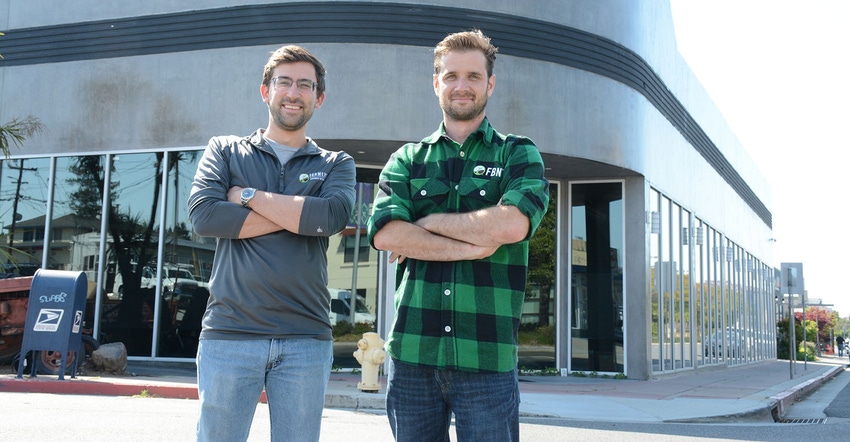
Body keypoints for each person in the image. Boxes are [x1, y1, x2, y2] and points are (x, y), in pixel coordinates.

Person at [367, 30, 549, 442]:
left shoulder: (518, 154)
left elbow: (513, 224)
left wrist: (426, 221)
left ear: (490, 83)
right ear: (436, 83)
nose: (461, 86)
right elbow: (386, 233)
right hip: (413, 356)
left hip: (487, 357)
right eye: (450, 76)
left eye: (472, 75)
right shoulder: (407, 159)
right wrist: (476, 240)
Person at [187, 45, 356, 442]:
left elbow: (330, 218)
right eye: (284, 82)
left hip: (305, 340)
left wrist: (247, 196)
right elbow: (205, 216)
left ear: (319, 97)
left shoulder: (336, 163)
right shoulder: (225, 150)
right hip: (230, 334)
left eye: (305, 84)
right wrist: (298, 217)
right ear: (266, 91)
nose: (293, 92)